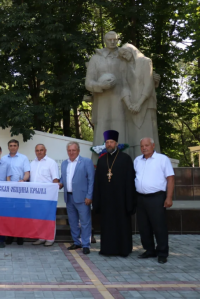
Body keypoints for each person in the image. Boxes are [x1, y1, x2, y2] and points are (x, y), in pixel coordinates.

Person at [85, 31, 128, 165]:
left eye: (115, 39)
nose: (112, 42)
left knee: (121, 130)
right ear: (104, 40)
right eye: (109, 39)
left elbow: (136, 76)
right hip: (102, 101)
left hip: (120, 101)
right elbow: (88, 83)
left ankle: (122, 162)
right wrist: (100, 85)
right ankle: (99, 164)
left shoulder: (124, 56)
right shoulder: (96, 58)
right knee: (101, 131)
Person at [93, 130, 136, 257]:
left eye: (111, 142)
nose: (109, 144)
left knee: (122, 224)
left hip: (121, 200)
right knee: (107, 225)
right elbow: (98, 183)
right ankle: (107, 249)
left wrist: (129, 202)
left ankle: (124, 250)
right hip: (106, 201)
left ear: (116, 143)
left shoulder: (125, 159)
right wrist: (97, 201)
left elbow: (130, 181)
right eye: (107, 142)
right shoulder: (101, 161)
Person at [134, 137, 174, 264]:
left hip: (157, 197)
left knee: (159, 226)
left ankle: (162, 252)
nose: (144, 148)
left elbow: (170, 179)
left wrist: (169, 197)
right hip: (140, 198)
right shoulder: (137, 161)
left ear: (153, 146)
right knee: (143, 226)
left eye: (146, 145)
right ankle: (149, 250)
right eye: (142, 146)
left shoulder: (162, 159)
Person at [118, 43, 161, 159]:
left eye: (125, 53)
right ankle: (133, 163)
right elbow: (124, 86)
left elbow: (148, 85)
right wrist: (129, 104)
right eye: (122, 55)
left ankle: (152, 161)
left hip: (145, 104)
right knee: (133, 139)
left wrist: (139, 103)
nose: (124, 56)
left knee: (147, 135)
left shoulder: (145, 61)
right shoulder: (124, 66)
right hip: (131, 107)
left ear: (132, 51)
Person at [59, 141, 95, 255]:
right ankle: (76, 242)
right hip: (69, 197)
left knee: (85, 222)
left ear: (78, 151)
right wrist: (60, 183)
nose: (71, 152)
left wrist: (89, 196)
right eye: (69, 150)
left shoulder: (86, 162)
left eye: (73, 150)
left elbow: (91, 180)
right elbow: (63, 178)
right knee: (73, 222)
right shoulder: (64, 163)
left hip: (83, 198)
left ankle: (85, 244)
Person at [1, 139, 30, 245]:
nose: (13, 147)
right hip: (7, 190)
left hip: (20, 189)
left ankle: (20, 236)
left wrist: (24, 180)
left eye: (15, 145)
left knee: (20, 213)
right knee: (9, 214)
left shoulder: (23, 158)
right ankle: (9, 236)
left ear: (18, 147)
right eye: (11, 145)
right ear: (8, 147)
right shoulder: (3, 159)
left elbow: (27, 172)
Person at [30, 144, 60, 247]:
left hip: (47, 196)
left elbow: (55, 179)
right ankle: (41, 237)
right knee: (38, 217)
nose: (39, 152)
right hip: (34, 196)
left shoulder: (51, 163)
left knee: (48, 217)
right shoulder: (32, 163)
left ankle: (50, 238)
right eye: (37, 150)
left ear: (45, 150)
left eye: (41, 150)